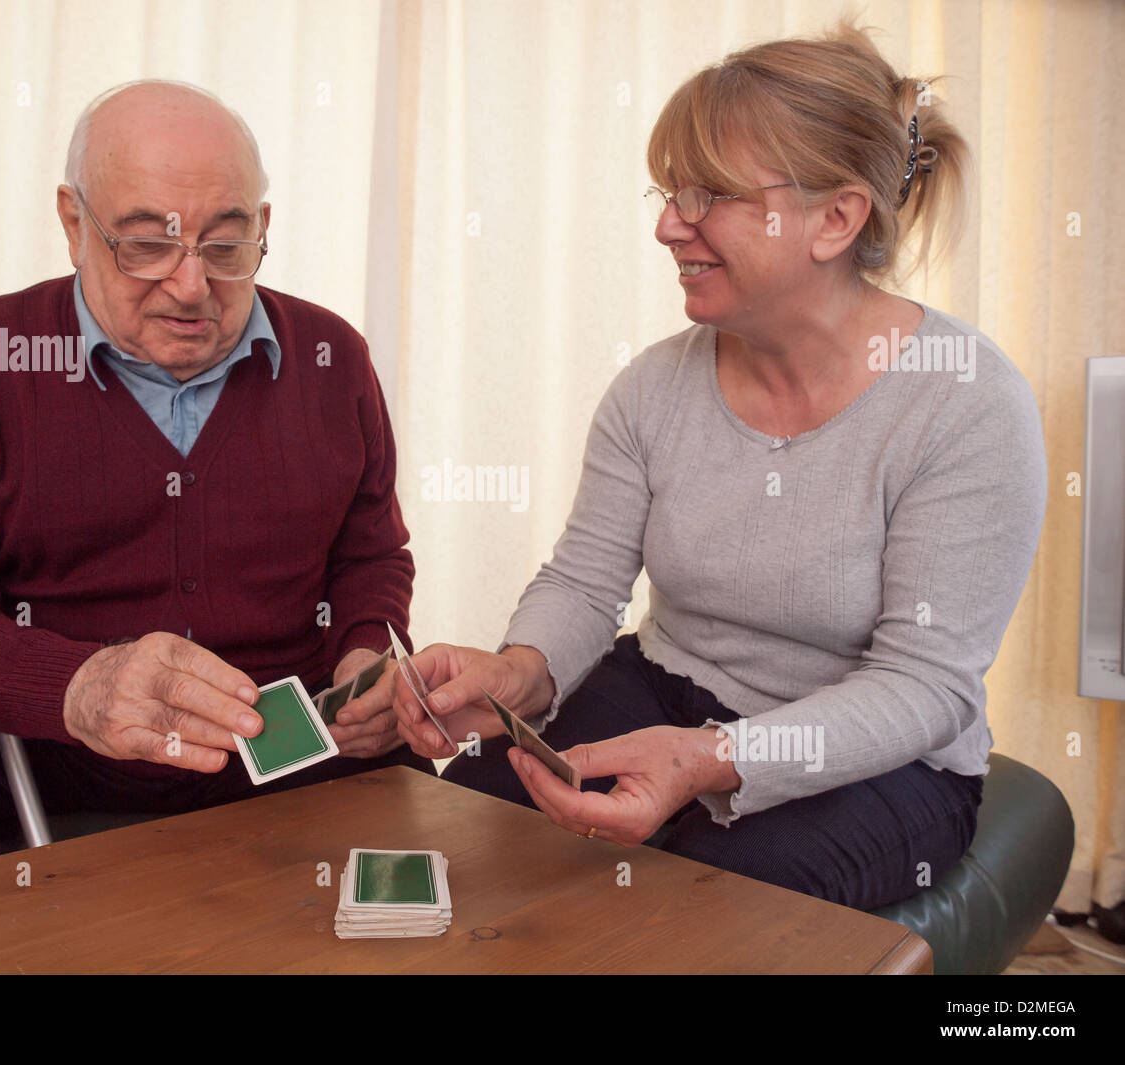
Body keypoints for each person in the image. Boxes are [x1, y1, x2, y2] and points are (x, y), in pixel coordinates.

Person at [392, 24, 1046, 911]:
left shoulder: (967, 404)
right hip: (666, 686)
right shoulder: (654, 385)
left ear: (836, 219)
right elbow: (586, 584)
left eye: (709, 195)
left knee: (696, 909)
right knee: (475, 843)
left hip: (886, 755)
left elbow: (923, 685)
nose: (669, 224)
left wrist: (710, 761)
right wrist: (523, 671)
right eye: (669, 191)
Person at [0, 80, 430, 897]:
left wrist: (366, 648)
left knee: (470, 790)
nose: (190, 287)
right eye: (146, 245)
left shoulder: (332, 357)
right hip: (45, 755)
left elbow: (371, 552)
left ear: (264, 228)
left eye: (225, 245)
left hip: (280, 758)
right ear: (75, 224)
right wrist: (76, 686)